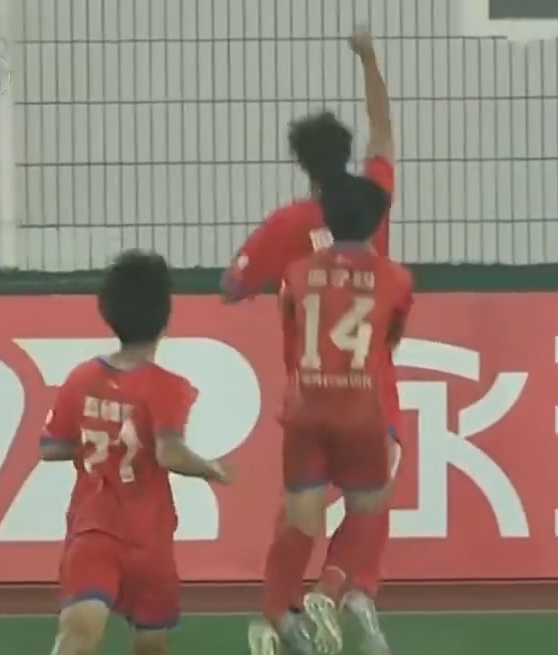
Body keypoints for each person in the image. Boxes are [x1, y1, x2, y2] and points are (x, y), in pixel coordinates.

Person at [221, 28, 400, 655]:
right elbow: (384, 133)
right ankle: (340, 589)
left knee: (303, 503)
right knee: (374, 492)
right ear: (348, 154)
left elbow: (232, 286)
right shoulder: (373, 204)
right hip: (370, 383)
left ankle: (283, 611)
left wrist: (272, 273)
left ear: (302, 163)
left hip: (309, 386)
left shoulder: (287, 225)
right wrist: (368, 58)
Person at [41, 250, 235, 655]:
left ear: (108, 311)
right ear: (165, 318)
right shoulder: (169, 387)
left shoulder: (81, 378)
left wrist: (100, 438)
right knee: (150, 643)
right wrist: (210, 468)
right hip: (149, 540)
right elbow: (170, 453)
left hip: (93, 529)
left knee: (79, 632)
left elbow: (51, 447)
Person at [259, 172, 413, 655]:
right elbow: (390, 337)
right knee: (369, 504)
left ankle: (277, 614)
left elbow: (289, 323)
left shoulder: (297, 271)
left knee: (300, 513)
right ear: (376, 222)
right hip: (359, 407)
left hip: (306, 407)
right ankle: (332, 588)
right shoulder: (396, 278)